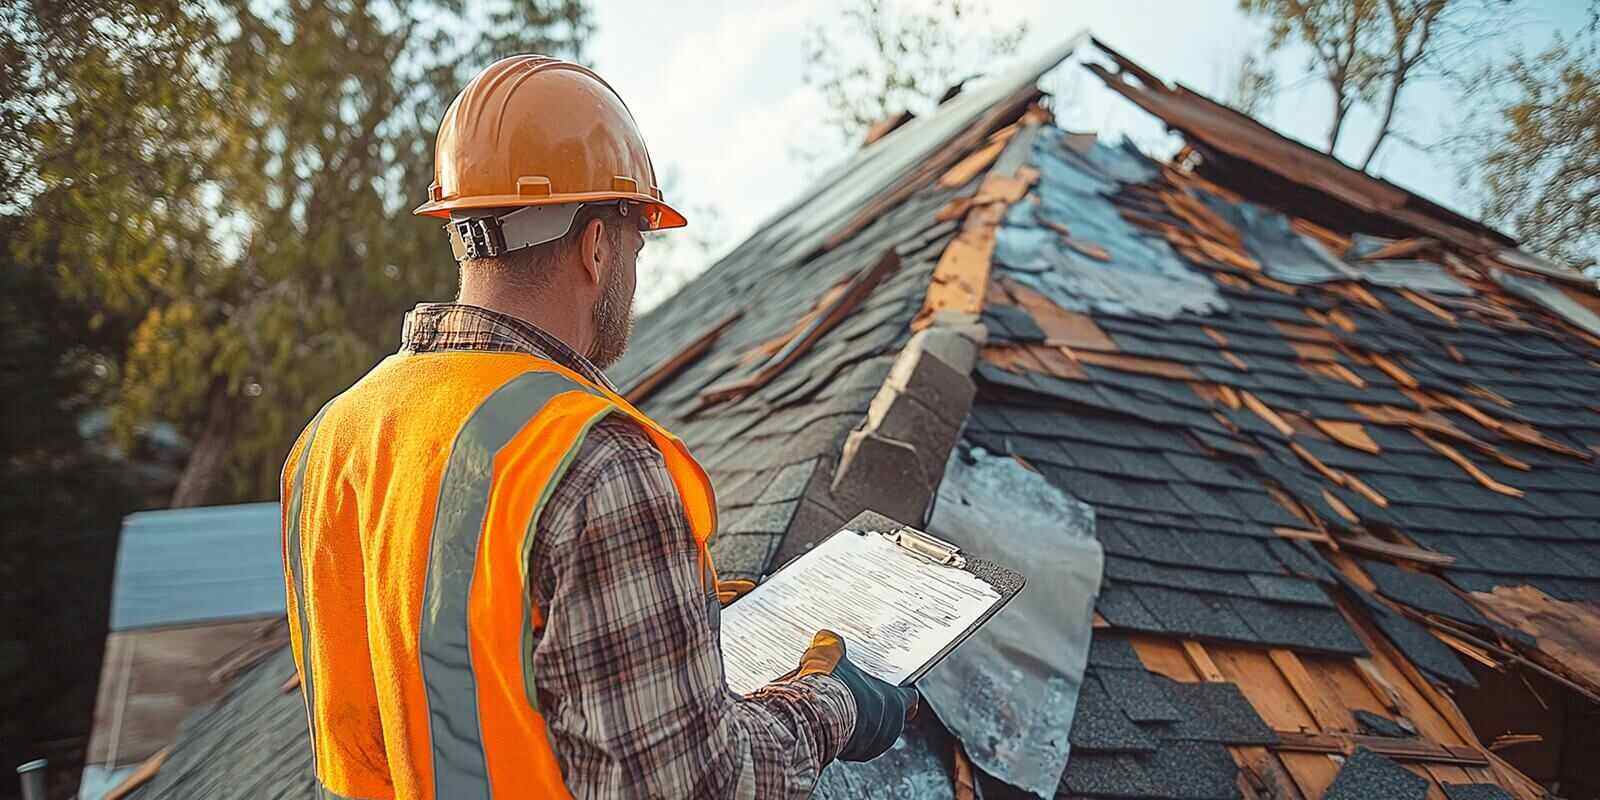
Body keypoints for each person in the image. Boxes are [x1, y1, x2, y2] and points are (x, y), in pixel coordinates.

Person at [280, 55, 917, 800]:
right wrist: (830, 703)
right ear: (596, 246)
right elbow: (701, 789)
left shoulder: (329, 440)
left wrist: (667, 613)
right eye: (636, 245)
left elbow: (449, 658)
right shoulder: (593, 462)